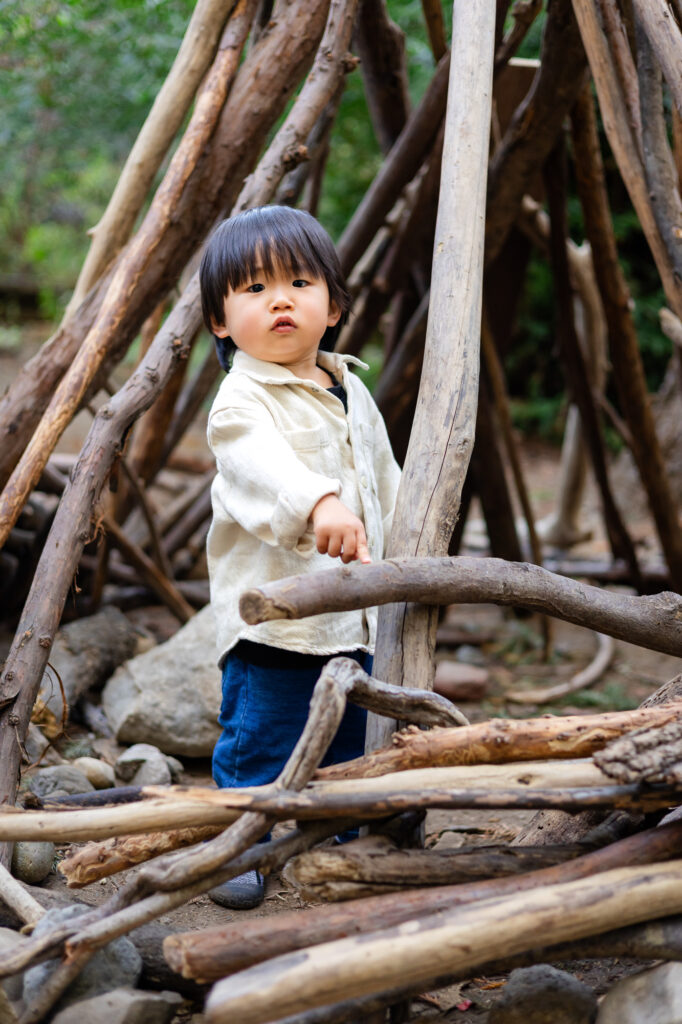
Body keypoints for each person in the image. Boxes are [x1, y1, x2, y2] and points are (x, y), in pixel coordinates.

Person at [199, 205, 401, 908]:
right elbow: (262, 470)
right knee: (264, 735)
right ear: (221, 322)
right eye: (253, 289)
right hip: (275, 622)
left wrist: (409, 549)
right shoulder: (240, 401)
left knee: (351, 731)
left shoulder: (351, 388)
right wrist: (319, 503)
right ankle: (240, 844)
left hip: (357, 614)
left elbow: (384, 480)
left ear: (334, 305)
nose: (279, 299)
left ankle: (339, 832)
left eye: (298, 282)